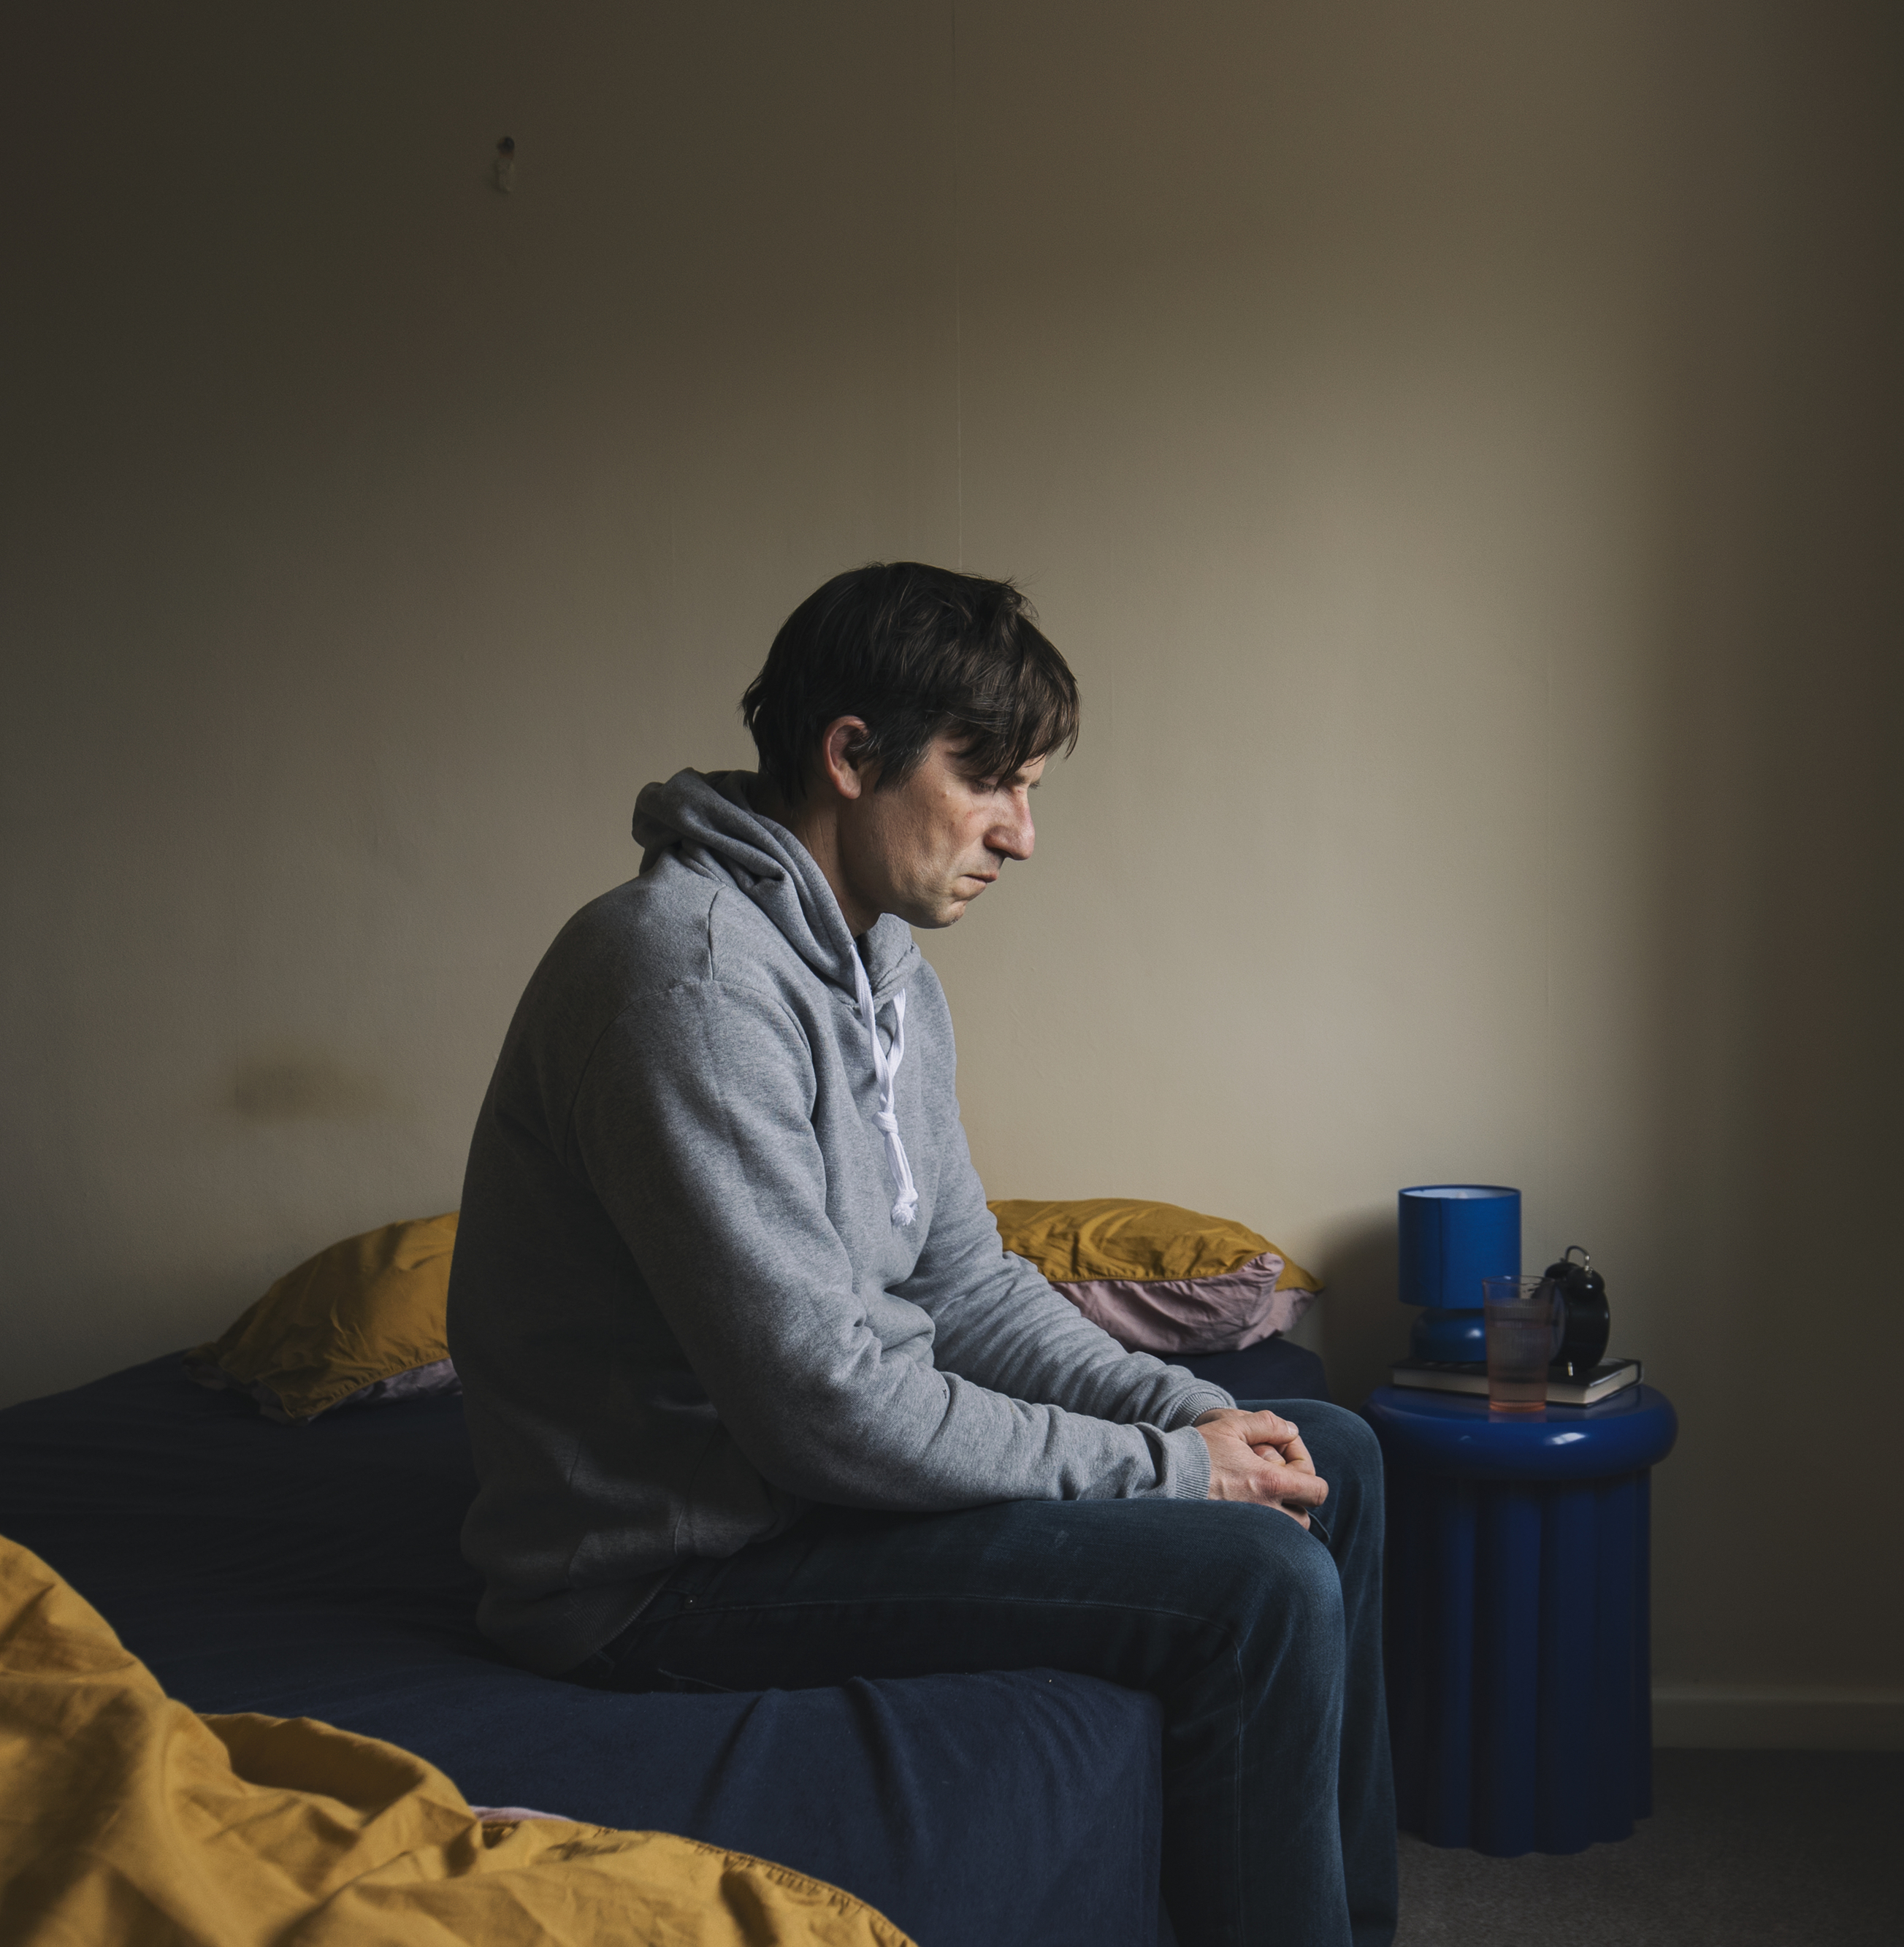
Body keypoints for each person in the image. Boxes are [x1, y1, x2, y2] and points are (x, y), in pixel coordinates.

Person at [446, 562, 1396, 1947]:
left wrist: (1195, 1413)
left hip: (807, 1498)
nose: (1022, 833)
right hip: (662, 1572)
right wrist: (1170, 1474)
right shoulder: (686, 979)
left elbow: (963, 1287)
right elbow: (827, 1404)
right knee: (1257, 1581)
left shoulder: (888, 973)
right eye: (991, 778)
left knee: (1335, 1456)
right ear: (851, 754)